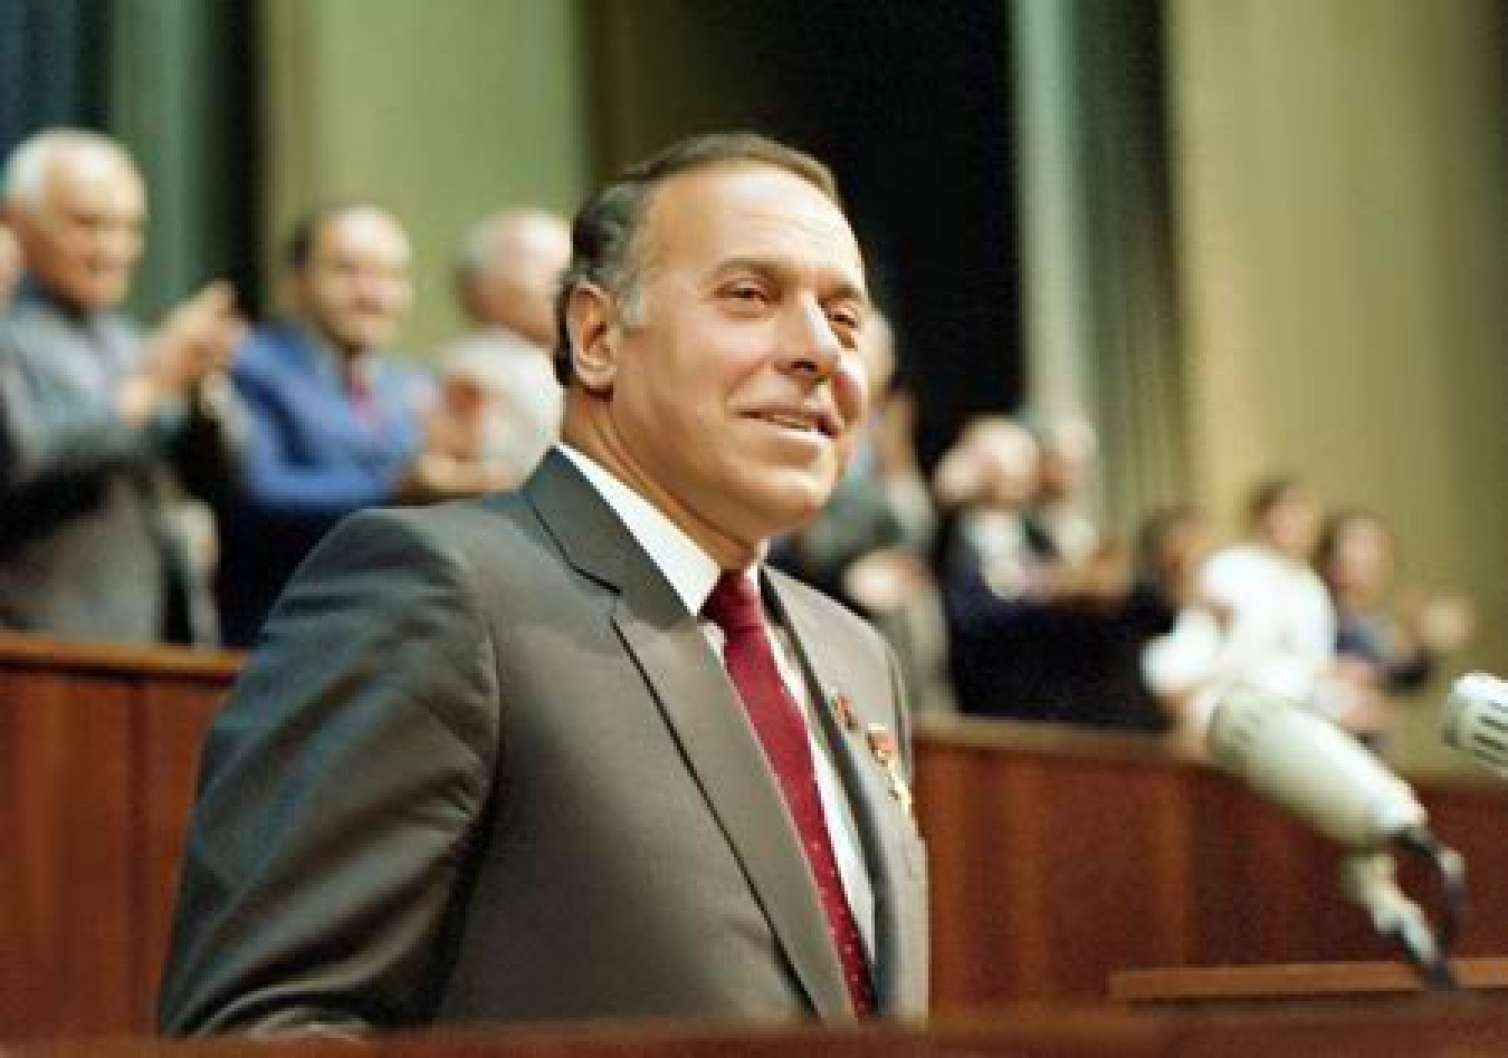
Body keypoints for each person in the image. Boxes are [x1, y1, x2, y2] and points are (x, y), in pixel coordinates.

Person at [159, 132, 929, 1034]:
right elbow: (260, 1025)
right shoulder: (438, 592)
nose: (819, 350)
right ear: (596, 337)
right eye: (749, 296)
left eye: (844, 318)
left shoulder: (854, 655)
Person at [214, 204, 506, 646]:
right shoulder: (254, 366)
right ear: (296, 282)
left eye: (391, 276)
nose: (373, 295)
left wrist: (460, 460)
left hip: (392, 639)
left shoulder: (409, 383)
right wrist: (398, 487)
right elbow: (261, 491)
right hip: (287, 635)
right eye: (348, 271)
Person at [0, 129, 244, 644]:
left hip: (158, 642)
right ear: (17, 221)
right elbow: (24, 459)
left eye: (130, 228)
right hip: (40, 642)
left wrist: (201, 392)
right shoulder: (10, 338)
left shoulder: (131, 343)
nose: (114, 249)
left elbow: (223, 484)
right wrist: (151, 387)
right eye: (88, 224)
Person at [429, 208, 571, 488]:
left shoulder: (580, 361)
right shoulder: (473, 369)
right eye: (543, 264)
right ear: (481, 286)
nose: (567, 282)